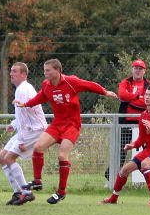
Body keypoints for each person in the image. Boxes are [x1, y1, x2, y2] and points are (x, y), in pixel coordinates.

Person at [14, 58, 118, 204]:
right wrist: (26, 104)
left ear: (58, 70)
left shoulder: (71, 82)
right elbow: (41, 97)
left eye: (48, 70)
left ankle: (61, 191)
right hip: (57, 124)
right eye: (44, 70)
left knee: (62, 155)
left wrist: (104, 92)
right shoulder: (46, 85)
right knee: (38, 147)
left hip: (72, 125)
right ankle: (37, 181)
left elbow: (89, 85)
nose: (45, 73)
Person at [102, 86, 150, 206]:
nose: (147, 97)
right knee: (124, 170)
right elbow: (142, 139)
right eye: (146, 94)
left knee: (145, 164)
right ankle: (113, 198)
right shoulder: (144, 115)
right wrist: (133, 145)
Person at [0, 62, 48, 206]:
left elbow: (24, 116)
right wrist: (13, 124)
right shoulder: (22, 89)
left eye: (15, 71)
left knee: (9, 158)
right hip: (26, 129)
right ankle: (18, 191)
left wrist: (21, 139)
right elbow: (24, 113)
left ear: (23, 74)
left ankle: (27, 193)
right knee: (2, 157)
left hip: (33, 130)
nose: (11, 74)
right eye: (11, 71)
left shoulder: (23, 89)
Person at [105, 59, 150, 181]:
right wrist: (138, 97)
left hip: (142, 123)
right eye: (136, 68)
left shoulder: (149, 84)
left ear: (144, 71)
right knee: (121, 150)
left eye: (140, 69)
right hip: (125, 122)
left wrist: (131, 100)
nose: (138, 71)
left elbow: (148, 102)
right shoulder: (126, 82)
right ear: (132, 69)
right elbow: (122, 95)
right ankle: (111, 177)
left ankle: (146, 178)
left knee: (147, 150)